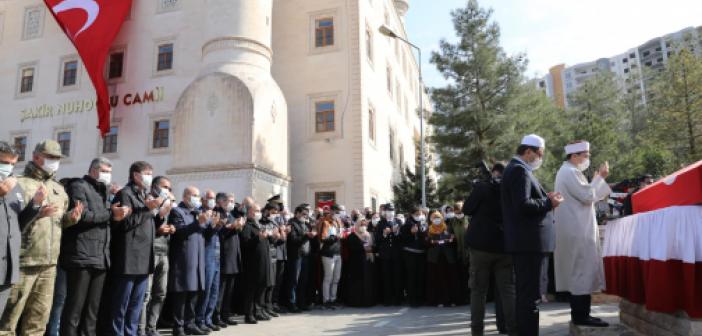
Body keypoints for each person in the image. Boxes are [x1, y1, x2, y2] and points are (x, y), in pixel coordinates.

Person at [0, 140, 81, 336]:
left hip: (49, 263)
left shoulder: (59, 189)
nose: (54, 162)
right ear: (36, 157)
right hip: (23, 261)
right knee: (8, 321)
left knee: (38, 321)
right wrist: (36, 212)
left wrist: (71, 219)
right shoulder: (18, 182)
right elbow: (11, 221)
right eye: (50, 157)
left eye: (57, 159)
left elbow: (58, 222)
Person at [60, 158, 130, 336]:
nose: (108, 175)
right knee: (75, 308)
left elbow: (104, 222)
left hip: (100, 256)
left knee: (93, 309)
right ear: (93, 170)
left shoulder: (103, 192)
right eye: (105, 170)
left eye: (109, 171)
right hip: (81, 255)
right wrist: (109, 214)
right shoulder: (79, 186)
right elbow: (82, 216)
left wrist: (116, 218)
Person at [501, 135, 563, 336]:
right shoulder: (520, 171)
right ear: (528, 151)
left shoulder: (517, 170)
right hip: (528, 243)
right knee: (529, 297)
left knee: (526, 295)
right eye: (539, 154)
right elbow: (523, 206)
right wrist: (549, 203)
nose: (540, 158)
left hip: (526, 243)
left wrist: (545, 198)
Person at [554, 141, 612, 327]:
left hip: (577, 228)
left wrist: (595, 180)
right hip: (576, 230)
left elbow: (586, 194)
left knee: (582, 272)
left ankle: (583, 314)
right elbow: (587, 196)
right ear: (574, 156)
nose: (587, 159)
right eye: (585, 155)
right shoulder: (570, 172)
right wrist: (600, 178)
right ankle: (581, 316)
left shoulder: (570, 172)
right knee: (580, 272)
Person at [464, 163, 517, 336]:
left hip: (480, 247)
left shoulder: (482, 188)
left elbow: (467, 209)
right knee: (507, 291)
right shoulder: (512, 189)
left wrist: (479, 188)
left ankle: (477, 332)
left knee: (478, 292)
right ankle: (514, 329)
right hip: (504, 246)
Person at [109, 161, 160, 336]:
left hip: (144, 258)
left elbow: (148, 225)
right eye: (147, 173)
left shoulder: (144, 194)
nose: (150, 177)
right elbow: (125, 224)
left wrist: (157, 213)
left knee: (137, 304)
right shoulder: (125, 194)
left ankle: (131, 333)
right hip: (129, 258)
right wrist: (147, 209)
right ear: (136, 175)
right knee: (121, 303)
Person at [0, 142, 39, 317]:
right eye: (3, 161)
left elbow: (18, 223)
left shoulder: (15, 185)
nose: (8, 167)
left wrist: (35, 206)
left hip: (7, 266)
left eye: (12, 163)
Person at [168, 187, 213, 336]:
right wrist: (197, 223)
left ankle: (190, 323)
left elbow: (205, 233)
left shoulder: (197, 213)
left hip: (198, 258)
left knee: (194, 292)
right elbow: (179, 233)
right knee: (182, 293)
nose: (197, 198)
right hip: (183, 258)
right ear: (186, 196)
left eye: (198, 196)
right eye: (194, 195)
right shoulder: (177, 211)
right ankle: (178, 326)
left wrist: (215, 225)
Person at [140, 176, 175, 336]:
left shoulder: (167, 203)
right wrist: (158, 228)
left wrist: (171, 227)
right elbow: (147, 224)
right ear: (155, 187)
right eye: (165, 187)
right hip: (150, 252)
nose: (168, 190)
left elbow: (165, 222)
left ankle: (151, 328)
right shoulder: (149, 201)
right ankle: (140, 329)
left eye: (169, 188)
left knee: (160, 293)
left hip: (164, 252)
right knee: (145, 295)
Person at [239, 201, 271, 324]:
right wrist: (258, 238)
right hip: (252, 264)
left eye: (259, 211)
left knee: (261, 288)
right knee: (251, 290)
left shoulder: (258, 225)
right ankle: (249, 314)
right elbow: (245, 243)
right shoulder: (247, 226)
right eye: (257, 211)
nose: (259, 213)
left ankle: (258, 310)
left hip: (262, 262)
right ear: (250, 212)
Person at [196, 190, 223, 332]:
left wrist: (219, 225)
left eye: (213, 198)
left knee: (214, 290)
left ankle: (208, 318)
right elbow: (204, 234)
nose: (212, 201)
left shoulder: (215, 213)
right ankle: (199, 320)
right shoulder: (200, 213)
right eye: (210, 198)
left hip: (217, 256)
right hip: (207, 255)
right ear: (203, 200)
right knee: (205, 290)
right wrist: (213, 226)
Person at [215, 193, 242, 327]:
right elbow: (218, 233)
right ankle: (217, 316)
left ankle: (226, 314)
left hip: (233, 257)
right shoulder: (218, 213)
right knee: (221, 290)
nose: (232, 203)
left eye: (233, 201)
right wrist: (229, 227)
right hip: (224, 256)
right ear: (221, 202)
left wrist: (238, 226)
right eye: (229, 201)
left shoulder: (231, 215)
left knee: (229, 290)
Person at [283, 204, 315, 312]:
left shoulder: (306, 224)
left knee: (303, 280)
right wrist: (306, 235)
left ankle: (301, 302)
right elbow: (293, 240)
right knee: (294, 281)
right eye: (303, 214)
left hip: (305, 255)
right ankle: (292, 303)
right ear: (297, 213)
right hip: (296, 256)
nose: (305, 216)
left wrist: (311, 233)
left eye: (307, 214)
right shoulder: (292, 224)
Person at [425, 211, 458, 307]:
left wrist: (452, 239)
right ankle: (439, 300)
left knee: (450, 279)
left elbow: (454, 240)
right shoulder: (429, 229)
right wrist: (431, 242)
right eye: (434, 218)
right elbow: (426, 243)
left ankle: (452, 300)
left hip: (448, 258)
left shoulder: (448, 228)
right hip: (435, 258)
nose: (436, 220)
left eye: (438, 217)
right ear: (431, 219)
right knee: (438, 279)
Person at [375, 203, 403, 306]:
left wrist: (396, 233)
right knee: (386, 277)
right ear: (384, 212)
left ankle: (398, 299)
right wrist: (384, 234)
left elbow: (402, 237)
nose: (390, 212)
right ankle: (387, 299)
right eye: (388, 210)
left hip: (396, 254)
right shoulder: (380, 223)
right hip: (385, 254)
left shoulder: (398, 221)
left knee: (397, 276)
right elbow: (377, 239)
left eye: (392, 210)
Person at [345, 218, 377, 307]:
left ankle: (369, 301)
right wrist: (363, 248)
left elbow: (374, 246)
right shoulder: (352, 236)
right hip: (356, 262)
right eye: (361, 225)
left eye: (364, 225)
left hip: (368, 261)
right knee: (357, 282)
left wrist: (371, 249)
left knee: (368, 281)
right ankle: (357, 302)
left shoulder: (369, 235)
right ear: (357, 225)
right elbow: (351, 248)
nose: (363, 227)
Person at [259, 203, 284, 318]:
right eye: (273, 212)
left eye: (276, 213)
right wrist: (270, 235)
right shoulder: (261, 221)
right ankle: (261, 307)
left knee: (272, 282)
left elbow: (276, 241)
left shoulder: (273, 222)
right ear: (267, 210)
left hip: (273, 254)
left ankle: (268, 307)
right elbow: (262, 237)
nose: (274, 215)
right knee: (265, 283)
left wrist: (278, 236)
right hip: (265, 255)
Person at [400, 206, 428, 307]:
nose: (419, 216)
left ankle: (420, 298)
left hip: (421, 254)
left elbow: (424, 239)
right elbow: (403, 239)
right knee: (412, 277)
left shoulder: (422, 224)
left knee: (420, 276)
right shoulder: (407, 225)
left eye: (421, 214)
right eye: (417, 214)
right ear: (412, 215)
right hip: (410, 254)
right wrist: (411, 233)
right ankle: (412, 299)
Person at [445, 203, 470, 305]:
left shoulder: (469, 219)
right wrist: (450, 237)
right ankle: (463, 298)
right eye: (457, 212)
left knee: (471, 277)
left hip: (469, 253)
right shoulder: (452, 221)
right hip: (458, 253)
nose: (459, 214)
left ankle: (471, 297)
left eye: (460, 212)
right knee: (461, 277)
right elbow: (449, 233)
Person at [318, 208, 342, 309]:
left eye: (338, 213)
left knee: (336, 278)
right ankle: (326, 300)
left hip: (337, 253)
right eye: (335, 212)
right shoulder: (325, 222)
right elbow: (322, 238)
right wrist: (334, 237)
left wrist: (339, 236)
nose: (336, 214)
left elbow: (340, 235)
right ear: (331, 212)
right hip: (328, 253)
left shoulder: (338, 222)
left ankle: (333, 298)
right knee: (328, 278)